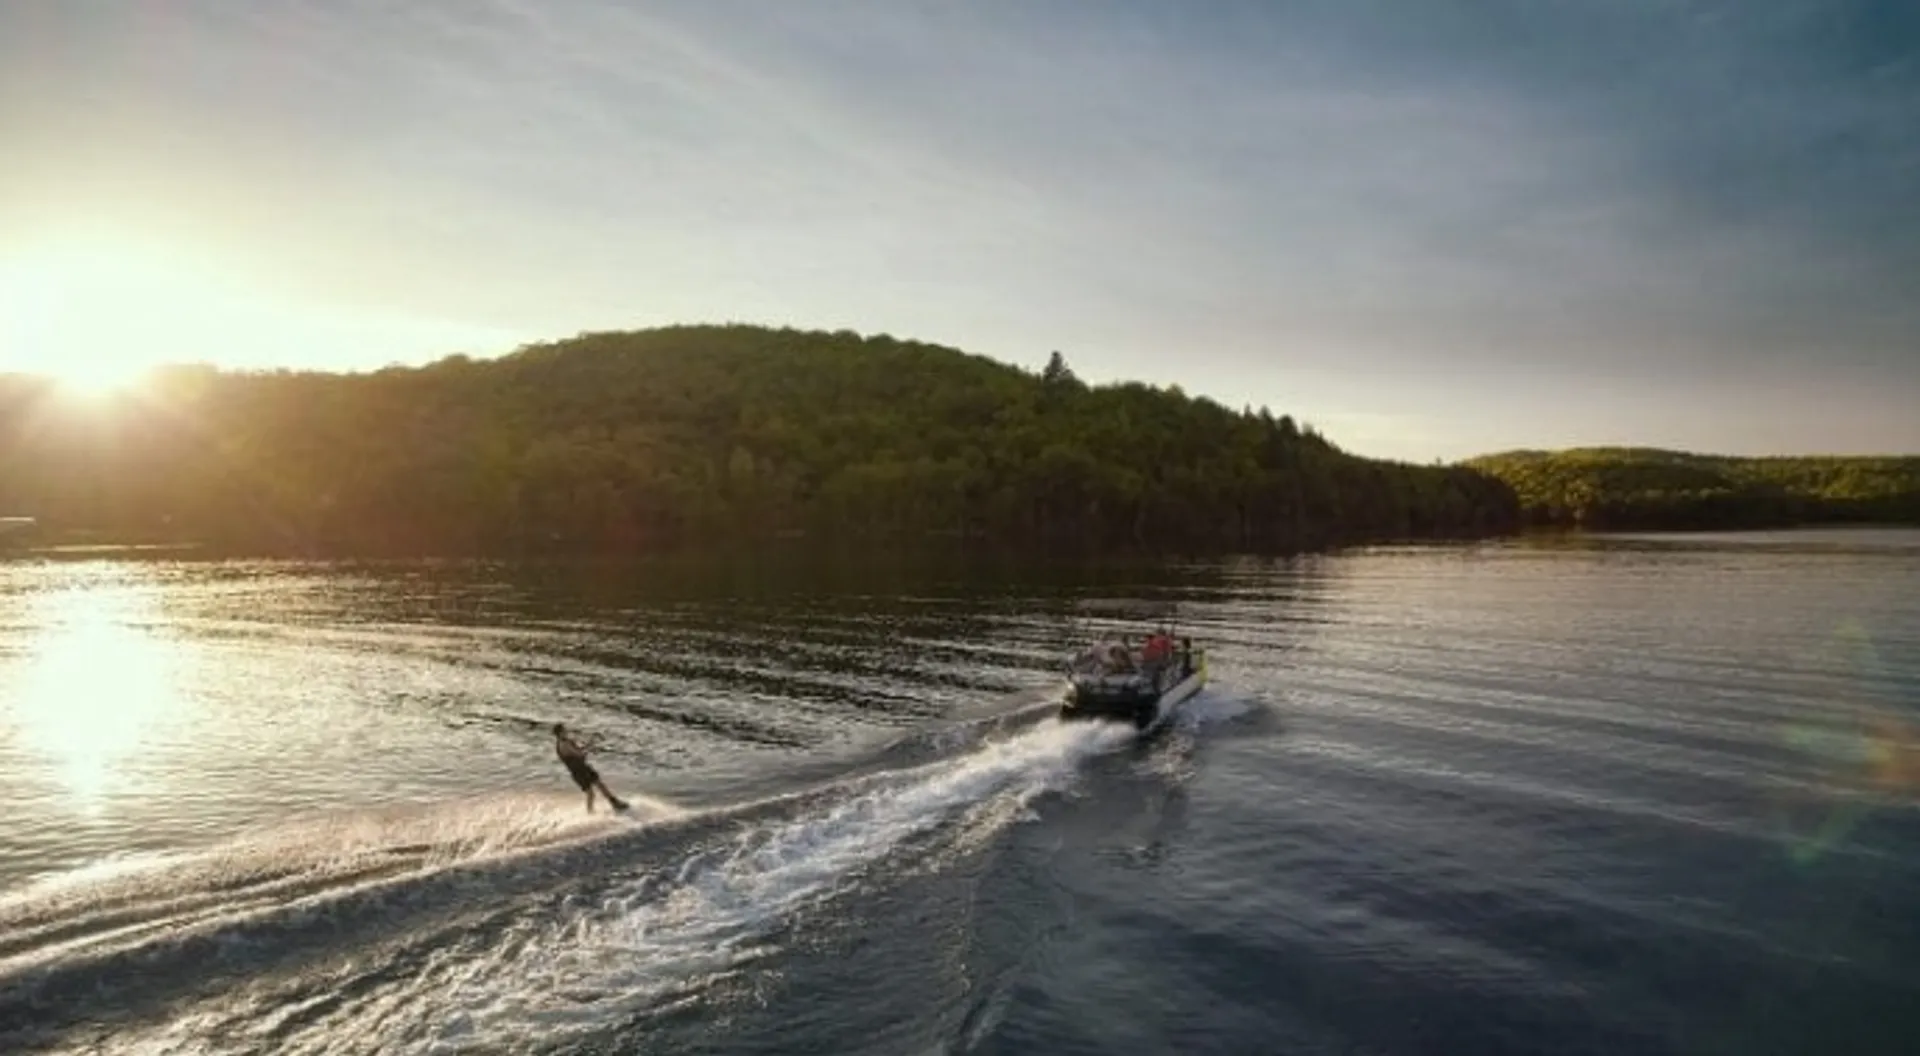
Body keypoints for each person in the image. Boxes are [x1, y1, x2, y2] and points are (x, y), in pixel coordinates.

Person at [553, 723, 629, 813]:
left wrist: (590, 744)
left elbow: (580, 750)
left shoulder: (568, 741)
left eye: (565, 730)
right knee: (591, 793)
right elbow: (579, 754)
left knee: (600, 784)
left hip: (583, 767)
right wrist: (588, 749)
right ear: (560, 733)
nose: (566, 731)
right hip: (578, 772)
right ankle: (590, 813)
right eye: (564, 730)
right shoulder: (563, 745)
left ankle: (615, 803)